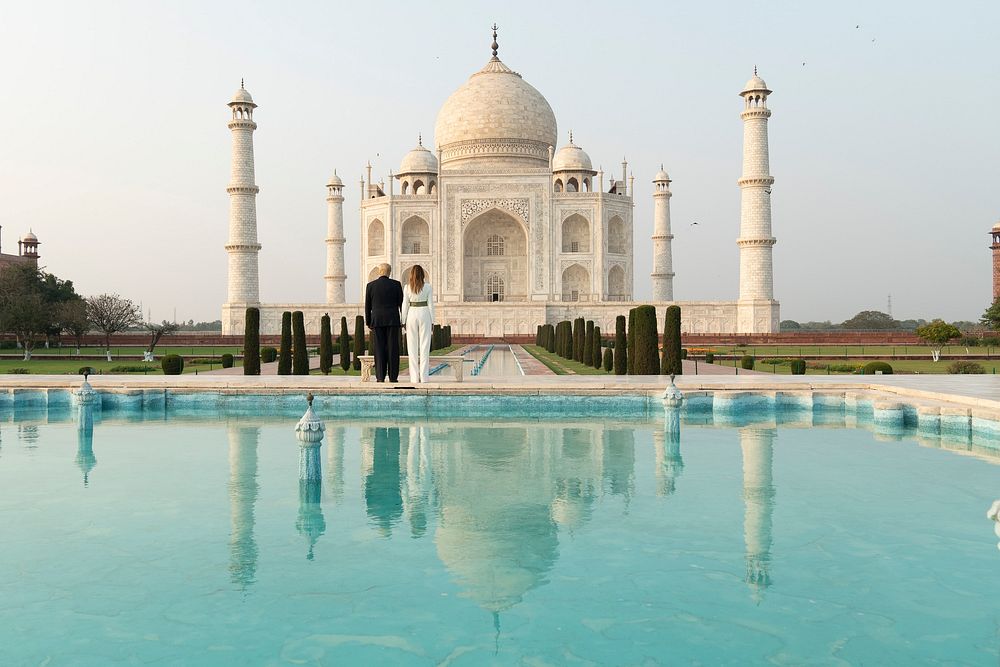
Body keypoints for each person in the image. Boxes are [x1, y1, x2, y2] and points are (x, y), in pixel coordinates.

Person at [364, 263, 403, 382]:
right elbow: (401, 304)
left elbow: (368, 306)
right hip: (393, 320)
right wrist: (402, 320)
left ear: (379, 272)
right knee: (393, 349)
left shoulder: (371, 285)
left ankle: (380, 377)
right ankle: (393, 377)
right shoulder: (396, 284)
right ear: (389, 272)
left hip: (377, 321)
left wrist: (368, 322)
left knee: (379, 349)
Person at [400, 265, 434, 383]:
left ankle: (414, 378)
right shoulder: (428, 287)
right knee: (424, 347)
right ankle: (424, 377)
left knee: (412, 347)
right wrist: (433, 321)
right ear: (422, 274)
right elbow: (431, 305)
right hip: (424, 314)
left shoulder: (407, 288)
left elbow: (405, 305)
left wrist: (403, 320)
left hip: (412, 315)